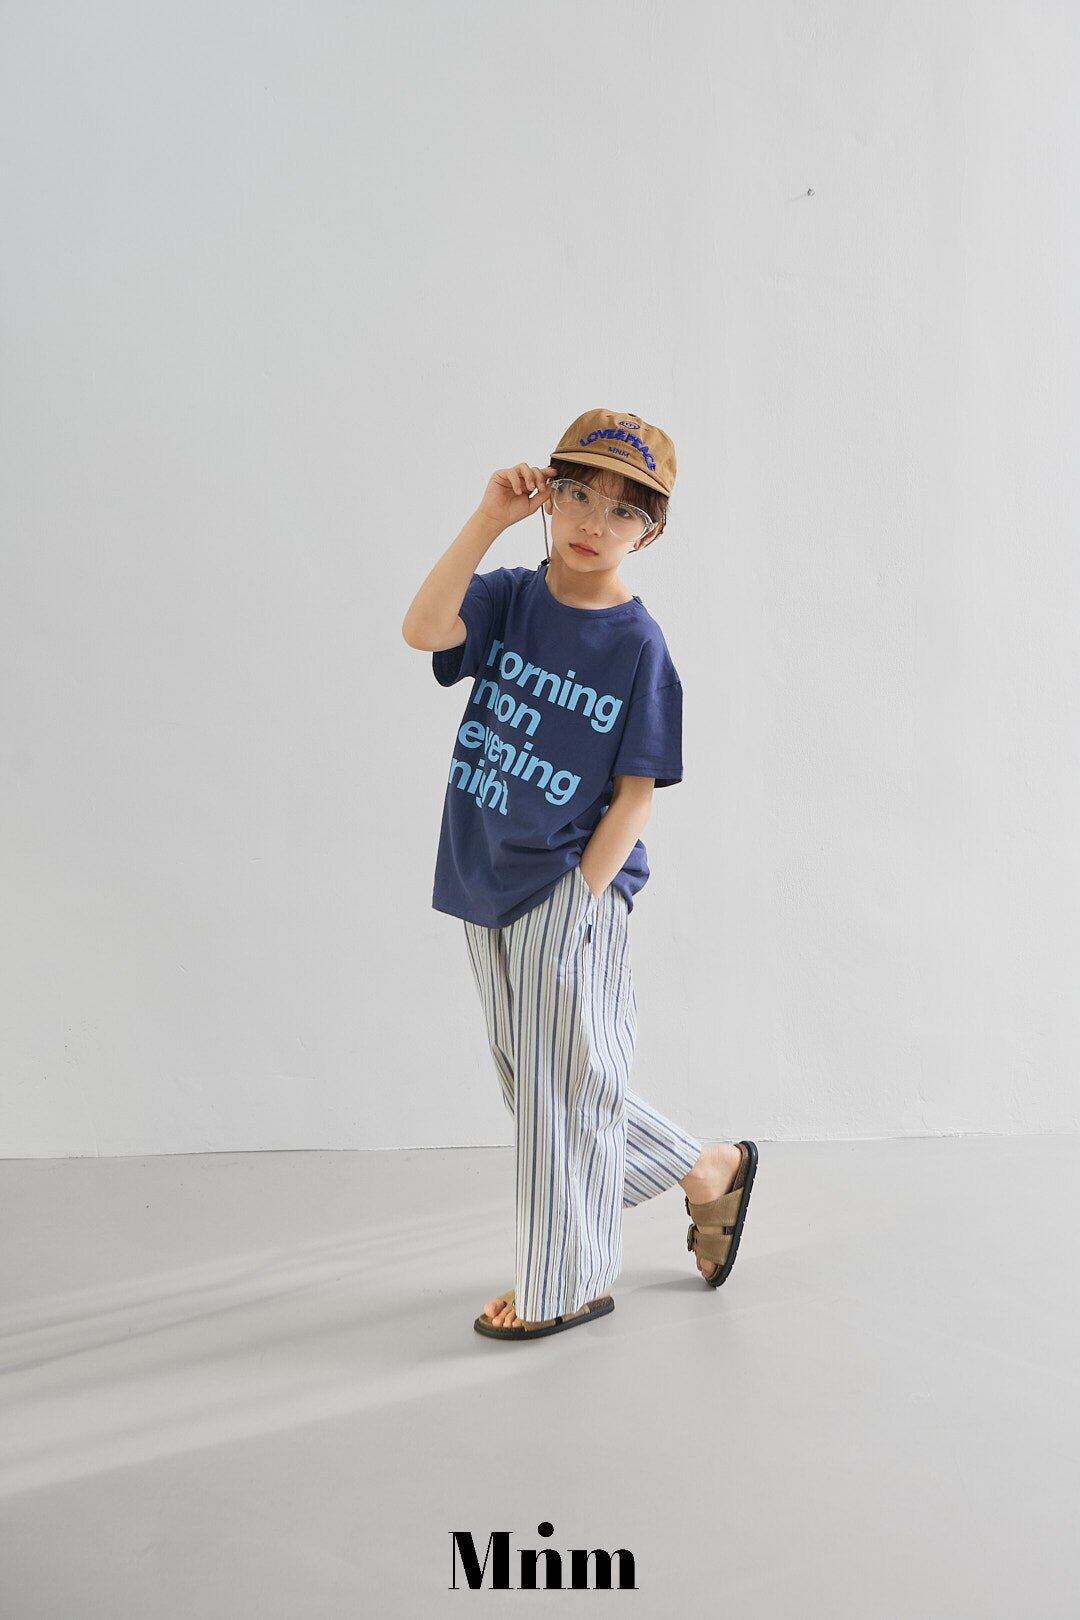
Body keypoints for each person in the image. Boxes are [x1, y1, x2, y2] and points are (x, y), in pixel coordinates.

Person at [401, 407, 757, 1342]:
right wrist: (489, 519)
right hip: (482, 871)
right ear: (549, 496)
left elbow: (636, 796)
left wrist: (578, 897)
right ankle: (707, 1168)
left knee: (559, 1093)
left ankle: (563, 1281)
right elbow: (423, 628)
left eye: (625, 510)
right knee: (541, 1084)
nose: (597, 522)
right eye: (579, 495)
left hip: (569, 885)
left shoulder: (639, 645)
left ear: (653, 532)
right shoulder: (511, 598)